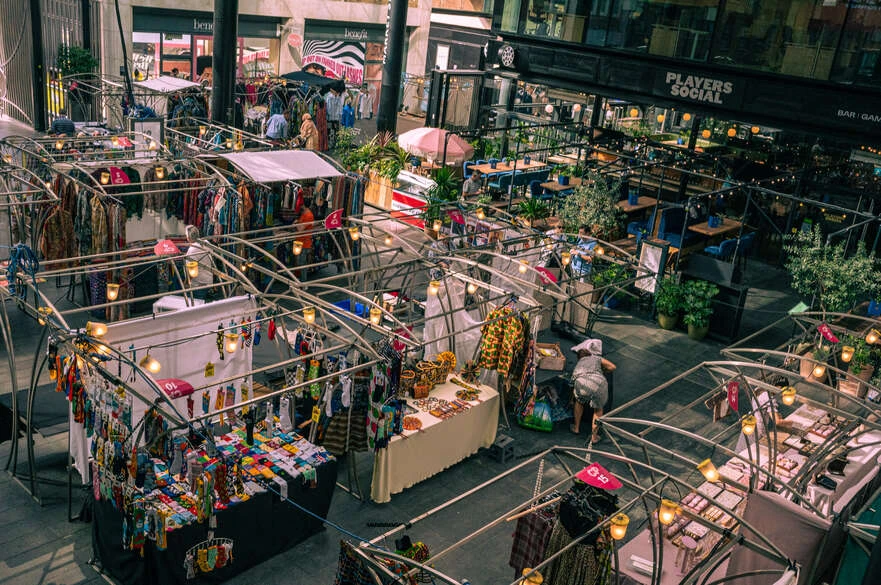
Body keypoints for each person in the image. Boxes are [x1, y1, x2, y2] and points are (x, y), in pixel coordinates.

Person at [570, 339, 615, 442]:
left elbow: (572, 384)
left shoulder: (578, 364)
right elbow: (613, 367)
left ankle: (576, 428)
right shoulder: (596, 358)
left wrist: (571, 399)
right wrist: (603, 371)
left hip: (582, 383)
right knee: (598, 409)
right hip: (599, 384)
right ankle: (594, 437)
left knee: (579, 402)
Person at [184, 225, 215, 299]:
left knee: (196, 305)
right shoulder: (206, 243)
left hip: (198, 285)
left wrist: (185, 283)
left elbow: (192, 273)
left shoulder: (192, 250)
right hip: (209, 281)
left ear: (188, 238)